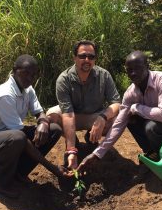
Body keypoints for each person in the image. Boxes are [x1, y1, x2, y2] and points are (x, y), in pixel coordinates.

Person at [77, 50, 162, 173]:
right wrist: (97, 154)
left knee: (150, 126)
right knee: (130, 119)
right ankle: (152, 154)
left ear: (147, 66)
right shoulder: (130, 93)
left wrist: (136, 108)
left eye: (138, 68)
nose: (134, 73)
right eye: (130, 70)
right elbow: (119, 124)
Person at [0, 54, 63, 198]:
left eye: (33, 75)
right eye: (26, 73)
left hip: (9, 136)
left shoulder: (27, 89)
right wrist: (52, 168)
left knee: (54, 130)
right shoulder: (5, 95)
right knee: (18, 138)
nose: (29, 78)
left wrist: (43, 123)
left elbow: (39, 112)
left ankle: (19, 173)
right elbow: (22, 139)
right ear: (14, 70)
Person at [47, 40, 121, 170]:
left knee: (116, 121)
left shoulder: (104, 75)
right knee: (51, 117)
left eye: (91, 57)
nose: (87, 60)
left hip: (94, 117)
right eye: (82, 56)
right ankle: (73, 142)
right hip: (71, 115)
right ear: (75, 58)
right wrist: (71, 150)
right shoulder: (64, 79)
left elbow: (116, 103)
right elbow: (68, 115)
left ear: (95, 59)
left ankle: (91, 138)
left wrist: (102, 118)